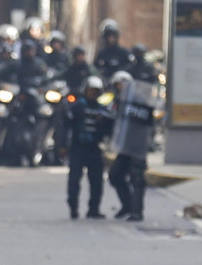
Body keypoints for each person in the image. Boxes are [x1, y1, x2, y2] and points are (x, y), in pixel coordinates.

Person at [58, 76, 112, 220]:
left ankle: (93, 209)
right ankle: (73, 208)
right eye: (91, 90)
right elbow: (65, 127)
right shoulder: (77, 107)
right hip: (78, 148)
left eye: (96, 91)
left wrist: (104, 123)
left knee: (96, 181)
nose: (93, 94)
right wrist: (62, 145)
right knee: (74, 179)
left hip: (94, 148)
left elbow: (109, 130)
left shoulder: (103, 110)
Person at [106, 70, 154, 221]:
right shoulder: (116, 102)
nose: (119, 87)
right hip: (125, 147)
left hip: (137, 146)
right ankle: (127, 205)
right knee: (115, 175)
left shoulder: (138, 101)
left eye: (121, 84)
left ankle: (136, 211)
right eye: (117, 85)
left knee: (137, 178)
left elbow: (147, 123)